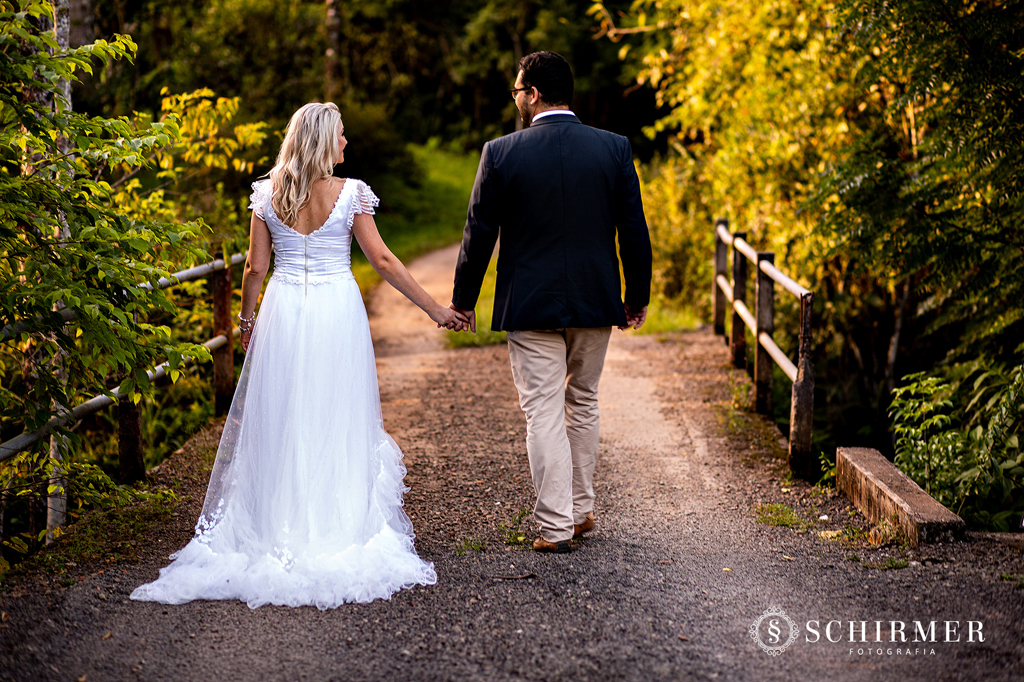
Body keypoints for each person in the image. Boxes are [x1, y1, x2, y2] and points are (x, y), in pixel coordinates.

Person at [131, 102, 466, 609]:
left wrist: (246, 324)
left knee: (283, 416)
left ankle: (277, 522)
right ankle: (335, 521)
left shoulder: (266, 194)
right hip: (336, 310)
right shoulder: (349, 193)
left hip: (284, 311)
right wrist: (433, 309)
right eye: (342, 135)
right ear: (323, 139)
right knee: (335, 412)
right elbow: (382, 259)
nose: (347, 143)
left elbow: (254, 270)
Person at [450, 51, 652, 554]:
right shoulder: (613, 149)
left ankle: (557, 525)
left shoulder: (501, 152)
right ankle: (580, 511)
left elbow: (479, 231)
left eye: (518, 91)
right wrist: (636, 297)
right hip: (594, 299)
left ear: (533, 94)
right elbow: (634, 230)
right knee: (583, 401)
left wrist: (464, 299)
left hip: (530, 303)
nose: (517, 99)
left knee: (542, 411)